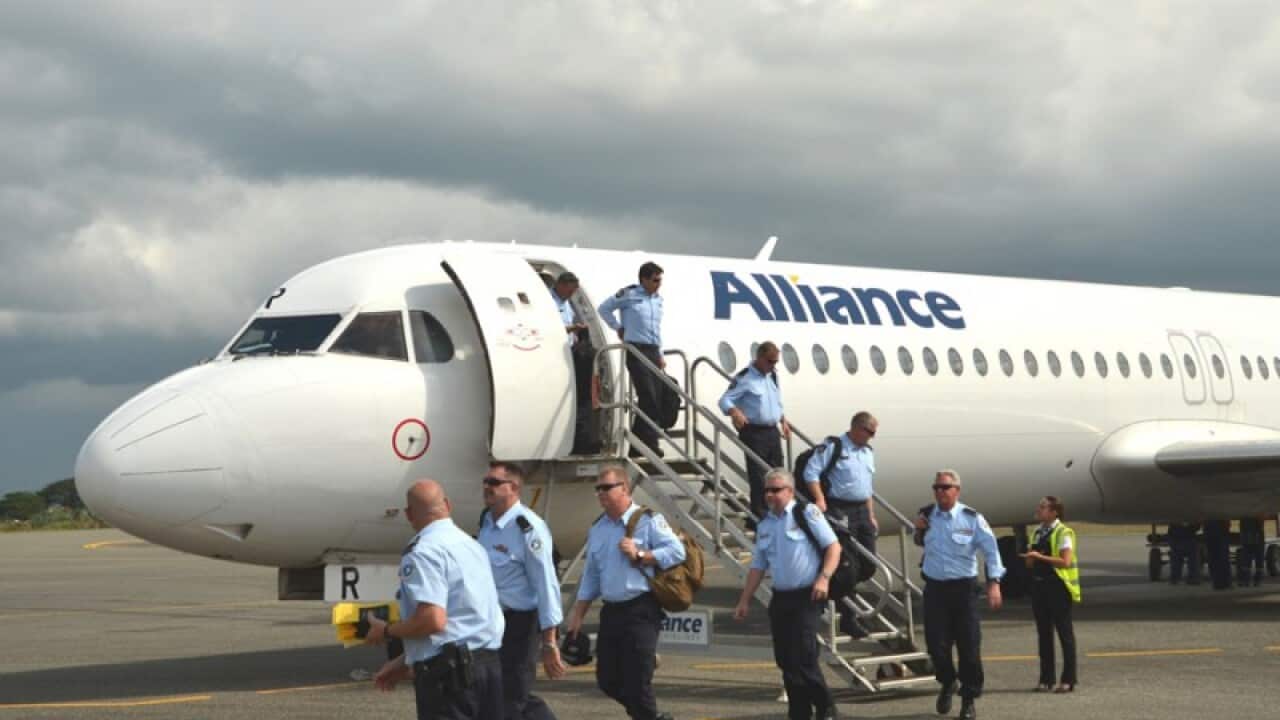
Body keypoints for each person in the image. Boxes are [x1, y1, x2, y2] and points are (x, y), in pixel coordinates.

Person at [365, 480, 505, 720]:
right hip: (488, 669)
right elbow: (464, 621)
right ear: (447, 505)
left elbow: (433, 621)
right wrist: (405, 659)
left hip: (449, 680)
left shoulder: (423, 552)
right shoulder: (473, 545)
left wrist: (387, 631)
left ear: (409, 514)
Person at [565, 466, 686, 720]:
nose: (600, 493)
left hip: (640, 609)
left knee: (637, 681)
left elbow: (677, 552)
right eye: (598, 488)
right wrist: (578, 615)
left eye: (606, 487)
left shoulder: (648, 520)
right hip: (612, 611)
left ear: (625, 489)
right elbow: (592, 576)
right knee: (607, 680)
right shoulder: (598, 528)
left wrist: (642, 555)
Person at [733, 469, 841, 720]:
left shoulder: (806, 513)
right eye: (767, 490)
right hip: (781, 598)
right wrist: (744, 599)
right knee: (785, 659)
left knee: (804, 655)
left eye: (776, 490)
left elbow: (833, 547)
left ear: (790, 491)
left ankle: (825, 706)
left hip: (807, 595)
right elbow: (758, 565)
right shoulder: (765, 525)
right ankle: (799, 711)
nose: (770, 495)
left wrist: (823, 578)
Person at [913, 470, 1005, 720]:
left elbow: (991, 550)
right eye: (936, 487)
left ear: (957, 490)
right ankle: (947, 681)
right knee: (936, 646)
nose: (940, 492)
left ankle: (968, 699)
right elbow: (919, 541)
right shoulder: (927, 514)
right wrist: (918, 529)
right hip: (935, 589)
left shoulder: (971, 518)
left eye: (945, 487)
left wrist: (994, 582)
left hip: (963, 590)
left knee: (969, 648)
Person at [477, 462, 567, 720]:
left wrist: (549, 641)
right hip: (489, 622)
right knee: (499, 693)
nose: (486, 487)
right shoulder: (486, 521)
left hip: (519, 625)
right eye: (486, 481)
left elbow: (546, 584)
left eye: (494, 482)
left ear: (513, 487)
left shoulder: (529, 528)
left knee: (511, 698)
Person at [803, 411, 879, 637]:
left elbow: (866, 486)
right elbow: (810, 473)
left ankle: (832, 592)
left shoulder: (867, 452)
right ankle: (848, 617)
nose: (872, 437)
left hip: (861, 511)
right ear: (857, 428)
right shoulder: (834, 447)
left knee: (868, 565)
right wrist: (820, 499)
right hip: (840, 509)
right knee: (848, 565)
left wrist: (871, 514)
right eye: (870, 432)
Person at [597, 262, 665, 456]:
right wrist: (617, 327)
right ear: (643, 279)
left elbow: (655, 329)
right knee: (647, 396)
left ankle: (638, 443)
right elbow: (604, 308)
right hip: (636, 350)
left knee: (655, 397)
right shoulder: (629, 295)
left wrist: (660, 354)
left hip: (652, 350)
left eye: (660, 280)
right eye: (655, 280)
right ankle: (648, 443)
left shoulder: (658, 300)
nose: (658, 284)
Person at [718, 341, 790, 525]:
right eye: (770, 361)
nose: (773, 366)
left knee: (778, 474)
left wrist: (782, 420)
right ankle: (759, 516)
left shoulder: (772, 376)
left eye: (775, 362)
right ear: (759, 358)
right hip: (754, 433)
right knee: (759, 477)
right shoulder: (745, 378)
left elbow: (774, 402)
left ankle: (778, 512)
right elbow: (725, 400)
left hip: (772, 431)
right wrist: (734, 412)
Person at [1020, 496, 1079, 694]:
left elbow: (1066, 561)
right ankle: (1046, 678)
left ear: (1054, 512)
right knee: (1043, 634)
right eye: (1040, 506)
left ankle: (1068, 679)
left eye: (1043, 507)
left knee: (1064, 633)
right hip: (1039, 586)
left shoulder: (1064, 532)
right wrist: (1029, 559)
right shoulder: (1037, 532)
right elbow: (1032, 561)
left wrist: (1039, 557)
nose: (1039, 510)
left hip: (1058, 586)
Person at [550, 272, 598, 454]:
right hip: (556, 357)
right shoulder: (549, 302)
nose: (572, 294)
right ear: (561, 285)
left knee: (582, 397)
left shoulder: (566, 303)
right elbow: (548, 327)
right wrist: (572, 328)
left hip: (570, 355)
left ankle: (583, 440)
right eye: (570, 290)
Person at [1167, 521, 1200, 585]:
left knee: (1176, 558)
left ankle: (1175, 578)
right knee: (1193, 559)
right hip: (1187, 537)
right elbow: (1197, 526)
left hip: (1177, 537)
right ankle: (1193, 578)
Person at [1237, 515, 1266, 587]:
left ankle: (1246, 580)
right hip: (1255, 537)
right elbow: (1261, 521)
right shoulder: (1255, 511)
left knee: (1247, 560)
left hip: (1249, 537)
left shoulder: (1244, 512)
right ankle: (1256, 581)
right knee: (1257, 560)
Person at [1204, 518, 1232, 590]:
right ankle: (1224, 582)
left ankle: (1218, 582)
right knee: (1222, 558)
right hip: (1219, 530)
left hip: (1211, 529)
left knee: (1215, 558)